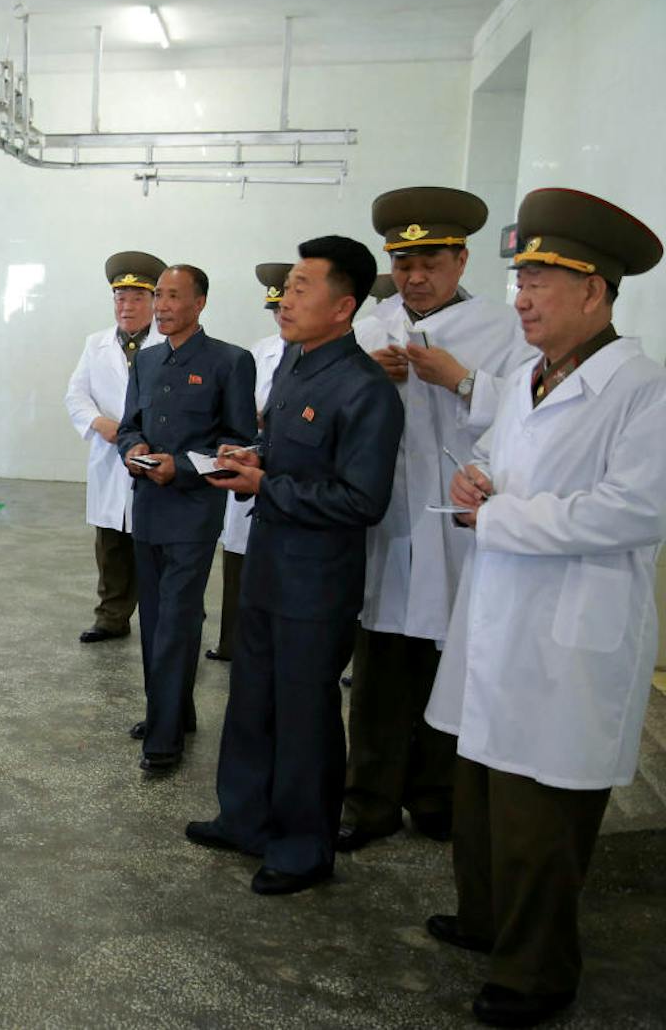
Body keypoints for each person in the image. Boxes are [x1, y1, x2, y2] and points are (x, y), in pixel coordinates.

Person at [427, 188, 665, 1027]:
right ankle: (485, 921)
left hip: (569, 633)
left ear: (594, 291)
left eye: (539, 283)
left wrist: (500, 518)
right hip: (501, 616)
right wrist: (474, 481)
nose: (520, 299)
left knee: (542, 819)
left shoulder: (642, 389)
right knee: (485, 791)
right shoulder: (531, 378)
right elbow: (502, 460)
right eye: (519, 280)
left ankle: (537, 974)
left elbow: (633, 510)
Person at [186, 236, 403, 895]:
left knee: (306, 715)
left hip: (317, 581)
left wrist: (265, 486)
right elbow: (291, 458)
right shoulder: (293, 368)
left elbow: (363, 499)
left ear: (343, 307)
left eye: (303, 286)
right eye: (288, 285)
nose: (287, 297)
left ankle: (304, 848)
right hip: (269, 563)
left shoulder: (366, 391)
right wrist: (255, 460)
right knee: (252, 699)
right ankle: (245, 818)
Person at [340, 186, 536, 853]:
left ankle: (436, 796)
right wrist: (369, 377)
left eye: (431, 262)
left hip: (460, 520)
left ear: (460, 259)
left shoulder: (504, 329)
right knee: (380, 666)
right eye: (403, 263)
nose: (415, 277)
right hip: (389, 524)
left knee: (451, 665)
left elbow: (533, 417)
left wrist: (460, 380)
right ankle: (367, 800)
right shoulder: (368, 328)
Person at [115, 265, 256, 772]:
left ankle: (165, 735)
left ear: (200, 304)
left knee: (176, 617)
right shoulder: (147, 361)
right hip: (148, 505)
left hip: (193, 510)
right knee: (152, 616)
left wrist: (185, 467)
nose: (163, 306)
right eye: (160, 297)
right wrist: (133, 451)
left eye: (174, 297)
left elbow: (241, 443)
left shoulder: (229, 362)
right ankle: (170, 709)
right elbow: (129, 426)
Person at [64, 251, 166, 644]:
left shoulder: (168, 342)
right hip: (110, 456)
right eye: (120, 298)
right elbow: (76, 394)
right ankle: (111, 616)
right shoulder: (96, 344)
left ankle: (164, 614)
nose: (127, 306)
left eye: (137, 298)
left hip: (153, 454)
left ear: (153, 302)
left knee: (153, 541)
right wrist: (98, 423)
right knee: (111, 543)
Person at [209, 263, 290, 663]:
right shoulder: (259, 351)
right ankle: (230, 642)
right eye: (274, 309)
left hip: (289, 474)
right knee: (239, 560)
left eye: (286, 305)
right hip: (251, 460)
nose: (281, 316)